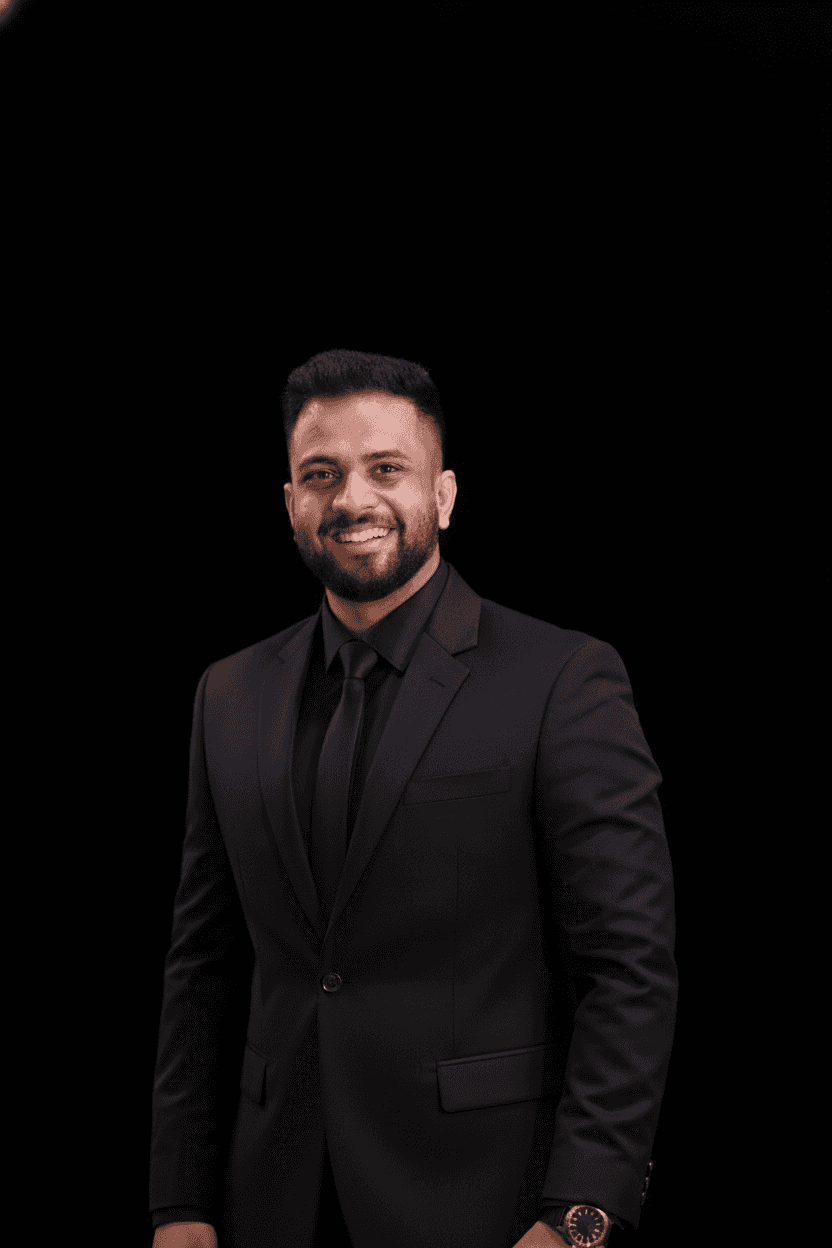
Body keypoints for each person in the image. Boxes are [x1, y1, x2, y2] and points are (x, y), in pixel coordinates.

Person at [149, 350, 677, 1248]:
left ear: (444, 495)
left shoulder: (562, 679)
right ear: (290, 503)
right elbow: (203, 966)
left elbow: (630, 966)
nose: (353, 499)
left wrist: (579, 1215)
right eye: (322, 474)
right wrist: (179, 1204)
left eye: (386, 469)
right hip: (268, 1203)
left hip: (485, 1203)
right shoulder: (227, 693)